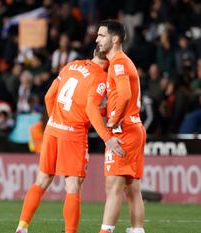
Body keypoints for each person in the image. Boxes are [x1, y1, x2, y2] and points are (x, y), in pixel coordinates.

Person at [15, 49, 109, 233]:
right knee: (73, 186)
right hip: (73, 134)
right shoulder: (100, 77)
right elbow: (91, 108)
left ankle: (22, 227)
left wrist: (56, 120)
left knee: (42, 180)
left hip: (52, 129)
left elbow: (49, 96)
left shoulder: (70, 65)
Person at [93, 19, 146, 233]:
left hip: (124, 130)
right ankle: (137, 230)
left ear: (115, 39)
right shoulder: (121, 62)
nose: (97, 39)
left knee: (113, 186)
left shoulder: (119, 63)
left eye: (101, 35)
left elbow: (124, 95)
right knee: (131, 187)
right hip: (133, 127)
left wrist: (112, 121)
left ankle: (105, 232)